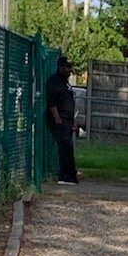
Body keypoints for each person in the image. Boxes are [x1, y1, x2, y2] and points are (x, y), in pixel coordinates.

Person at [46, 56, 79, 185]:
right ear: (61, 67)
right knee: (65, 145)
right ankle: (66, 175)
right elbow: (52, 102)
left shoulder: (66, 83)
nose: (69, 70)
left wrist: (74, 120)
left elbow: (71, 102)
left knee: (68, 146)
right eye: (67, 67)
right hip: (60, 119)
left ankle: (68, 174)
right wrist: (57, 117)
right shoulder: (54, 82)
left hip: (68, 119)